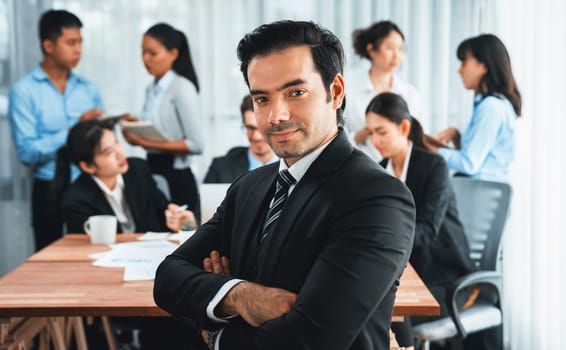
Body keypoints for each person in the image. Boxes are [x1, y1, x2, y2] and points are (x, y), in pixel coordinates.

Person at [154, 20, 416, 350]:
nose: (275, 115)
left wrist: (214, 333)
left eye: (295, 93)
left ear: (335, 92)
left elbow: (310, 339)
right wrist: (239, 295)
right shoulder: (248, 187)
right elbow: (167, 278)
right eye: (261, 99)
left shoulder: (378, 198)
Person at [365, 92, 476, 349]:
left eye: (381, 132)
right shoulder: (379, 170)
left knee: (387, 311)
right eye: (370, 133)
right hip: (405, 274)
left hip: (445, 276)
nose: (374, 140)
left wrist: (382, 242)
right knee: (364, 303)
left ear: (404, 127)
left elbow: (427, 230)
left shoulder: (433, 166)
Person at [8, 9, 104, 251]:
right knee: (48, 255)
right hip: (48, 188)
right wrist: (74, 132)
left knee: (94, 252)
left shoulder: (88, 89)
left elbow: (100, 140)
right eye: (71, 43)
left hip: (90, 184)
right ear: (48, 45)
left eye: (81, 42)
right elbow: (27, 152)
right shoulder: (24, 91)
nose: (78, 50)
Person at [123, 23, 204, 223]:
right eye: (143, 52)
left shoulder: (182, 87)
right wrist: (136, 127)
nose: (145, 59)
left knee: (180, 239)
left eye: (152, 53)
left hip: (177, 177)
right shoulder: (151, 88)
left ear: (173, 54)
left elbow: (196, 144)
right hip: (154, 173)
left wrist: (145, 143)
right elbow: (161, 128)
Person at [53, 120, 196, 234]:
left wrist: (185, 224)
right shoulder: (76, 200)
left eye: (117, 142)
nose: (120, 154)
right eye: (108, 152)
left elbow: (165, 212)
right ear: (88, 166)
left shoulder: (138, 170)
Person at [428, 34, 522, 182]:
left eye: (464, 62)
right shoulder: (494, 105)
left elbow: (469, 164)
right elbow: (478, 161)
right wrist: (458, 138)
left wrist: (431, 149)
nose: (459, 71)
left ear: (483, 66)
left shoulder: (491, 107)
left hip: (480, 195)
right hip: (481, 193)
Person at [347, 20, 425, 161]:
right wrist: (359, 136)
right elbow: (335, 140)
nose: (396, 56)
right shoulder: (350, 91)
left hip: (400, 172)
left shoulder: (409, 93)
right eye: (389, 48)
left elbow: (418, 138)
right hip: (360, 169)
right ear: (371, 50)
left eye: (400, 49)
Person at [204, 95, 277, 183]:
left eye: (261, 128)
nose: (256, 137)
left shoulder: (293, 168)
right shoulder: (220, 168)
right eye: (250, 128)